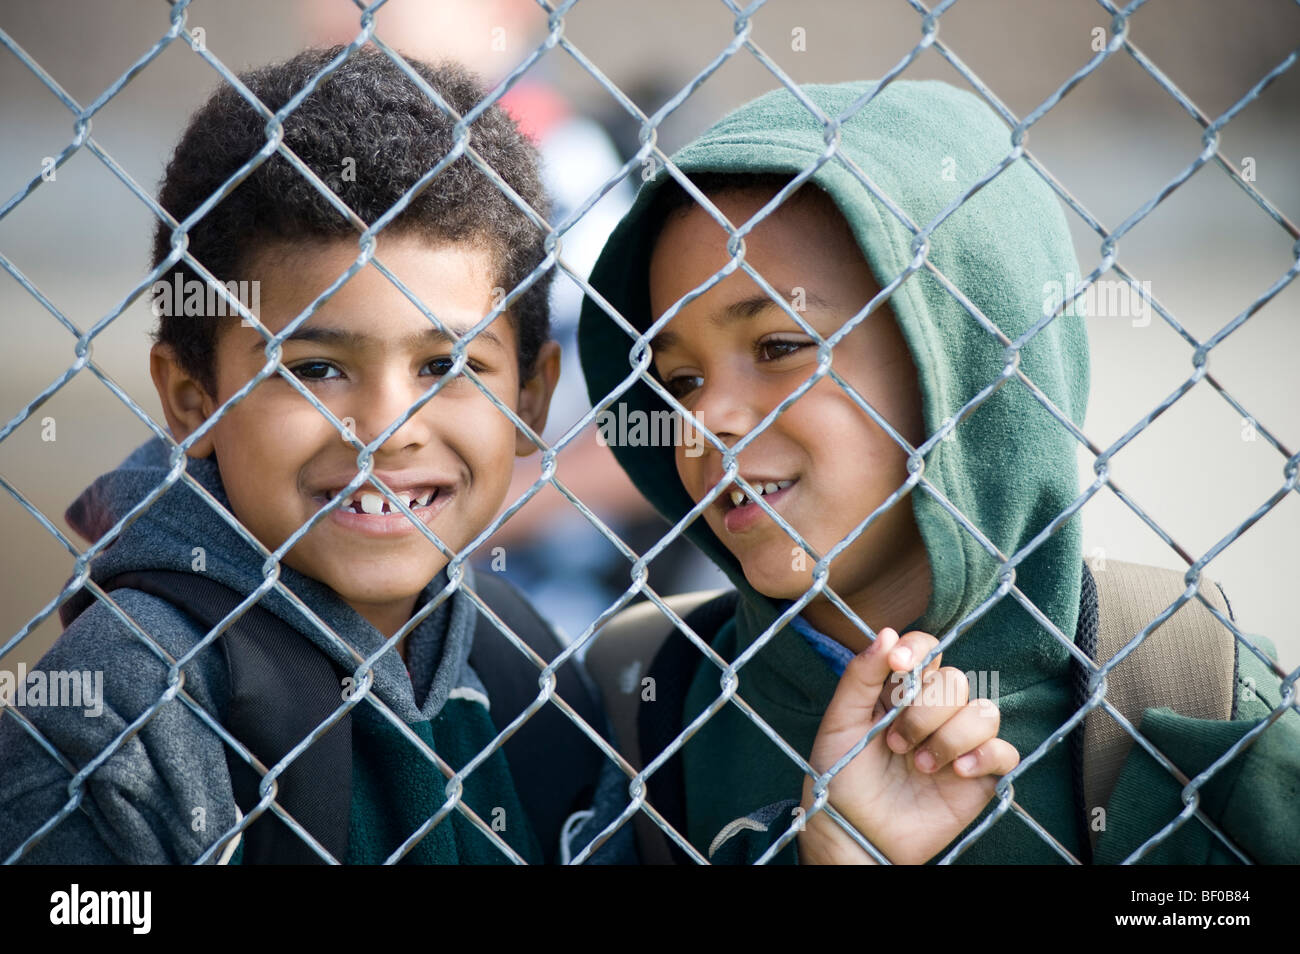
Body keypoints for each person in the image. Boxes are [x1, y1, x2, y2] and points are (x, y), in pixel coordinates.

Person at [577, 79, 1300, 863]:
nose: (705, 418)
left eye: (779, 347)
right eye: (679, 380)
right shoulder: (647, 713)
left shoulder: (1198, 697)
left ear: (964, 362)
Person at [0, 46, 631, 865]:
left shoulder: (523, 665)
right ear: (192, 398)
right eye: (316, 369)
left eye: (448, 365)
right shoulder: (123, 719)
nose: (387, 429)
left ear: (532, 400)